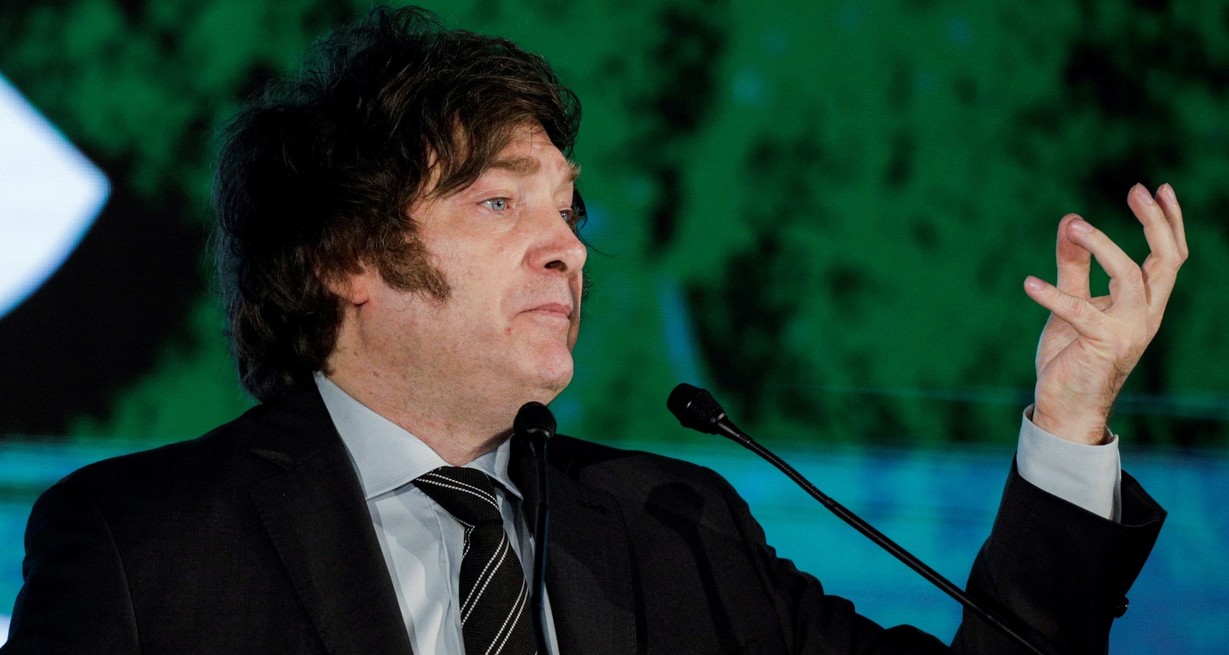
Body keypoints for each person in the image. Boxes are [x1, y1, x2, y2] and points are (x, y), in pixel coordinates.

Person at [2, 6, 1182, 654]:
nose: (567, 245)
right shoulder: (141, 544)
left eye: (568, 207)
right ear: (343, 258)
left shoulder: (680, 526)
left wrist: (1069, 413)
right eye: (497, 203)